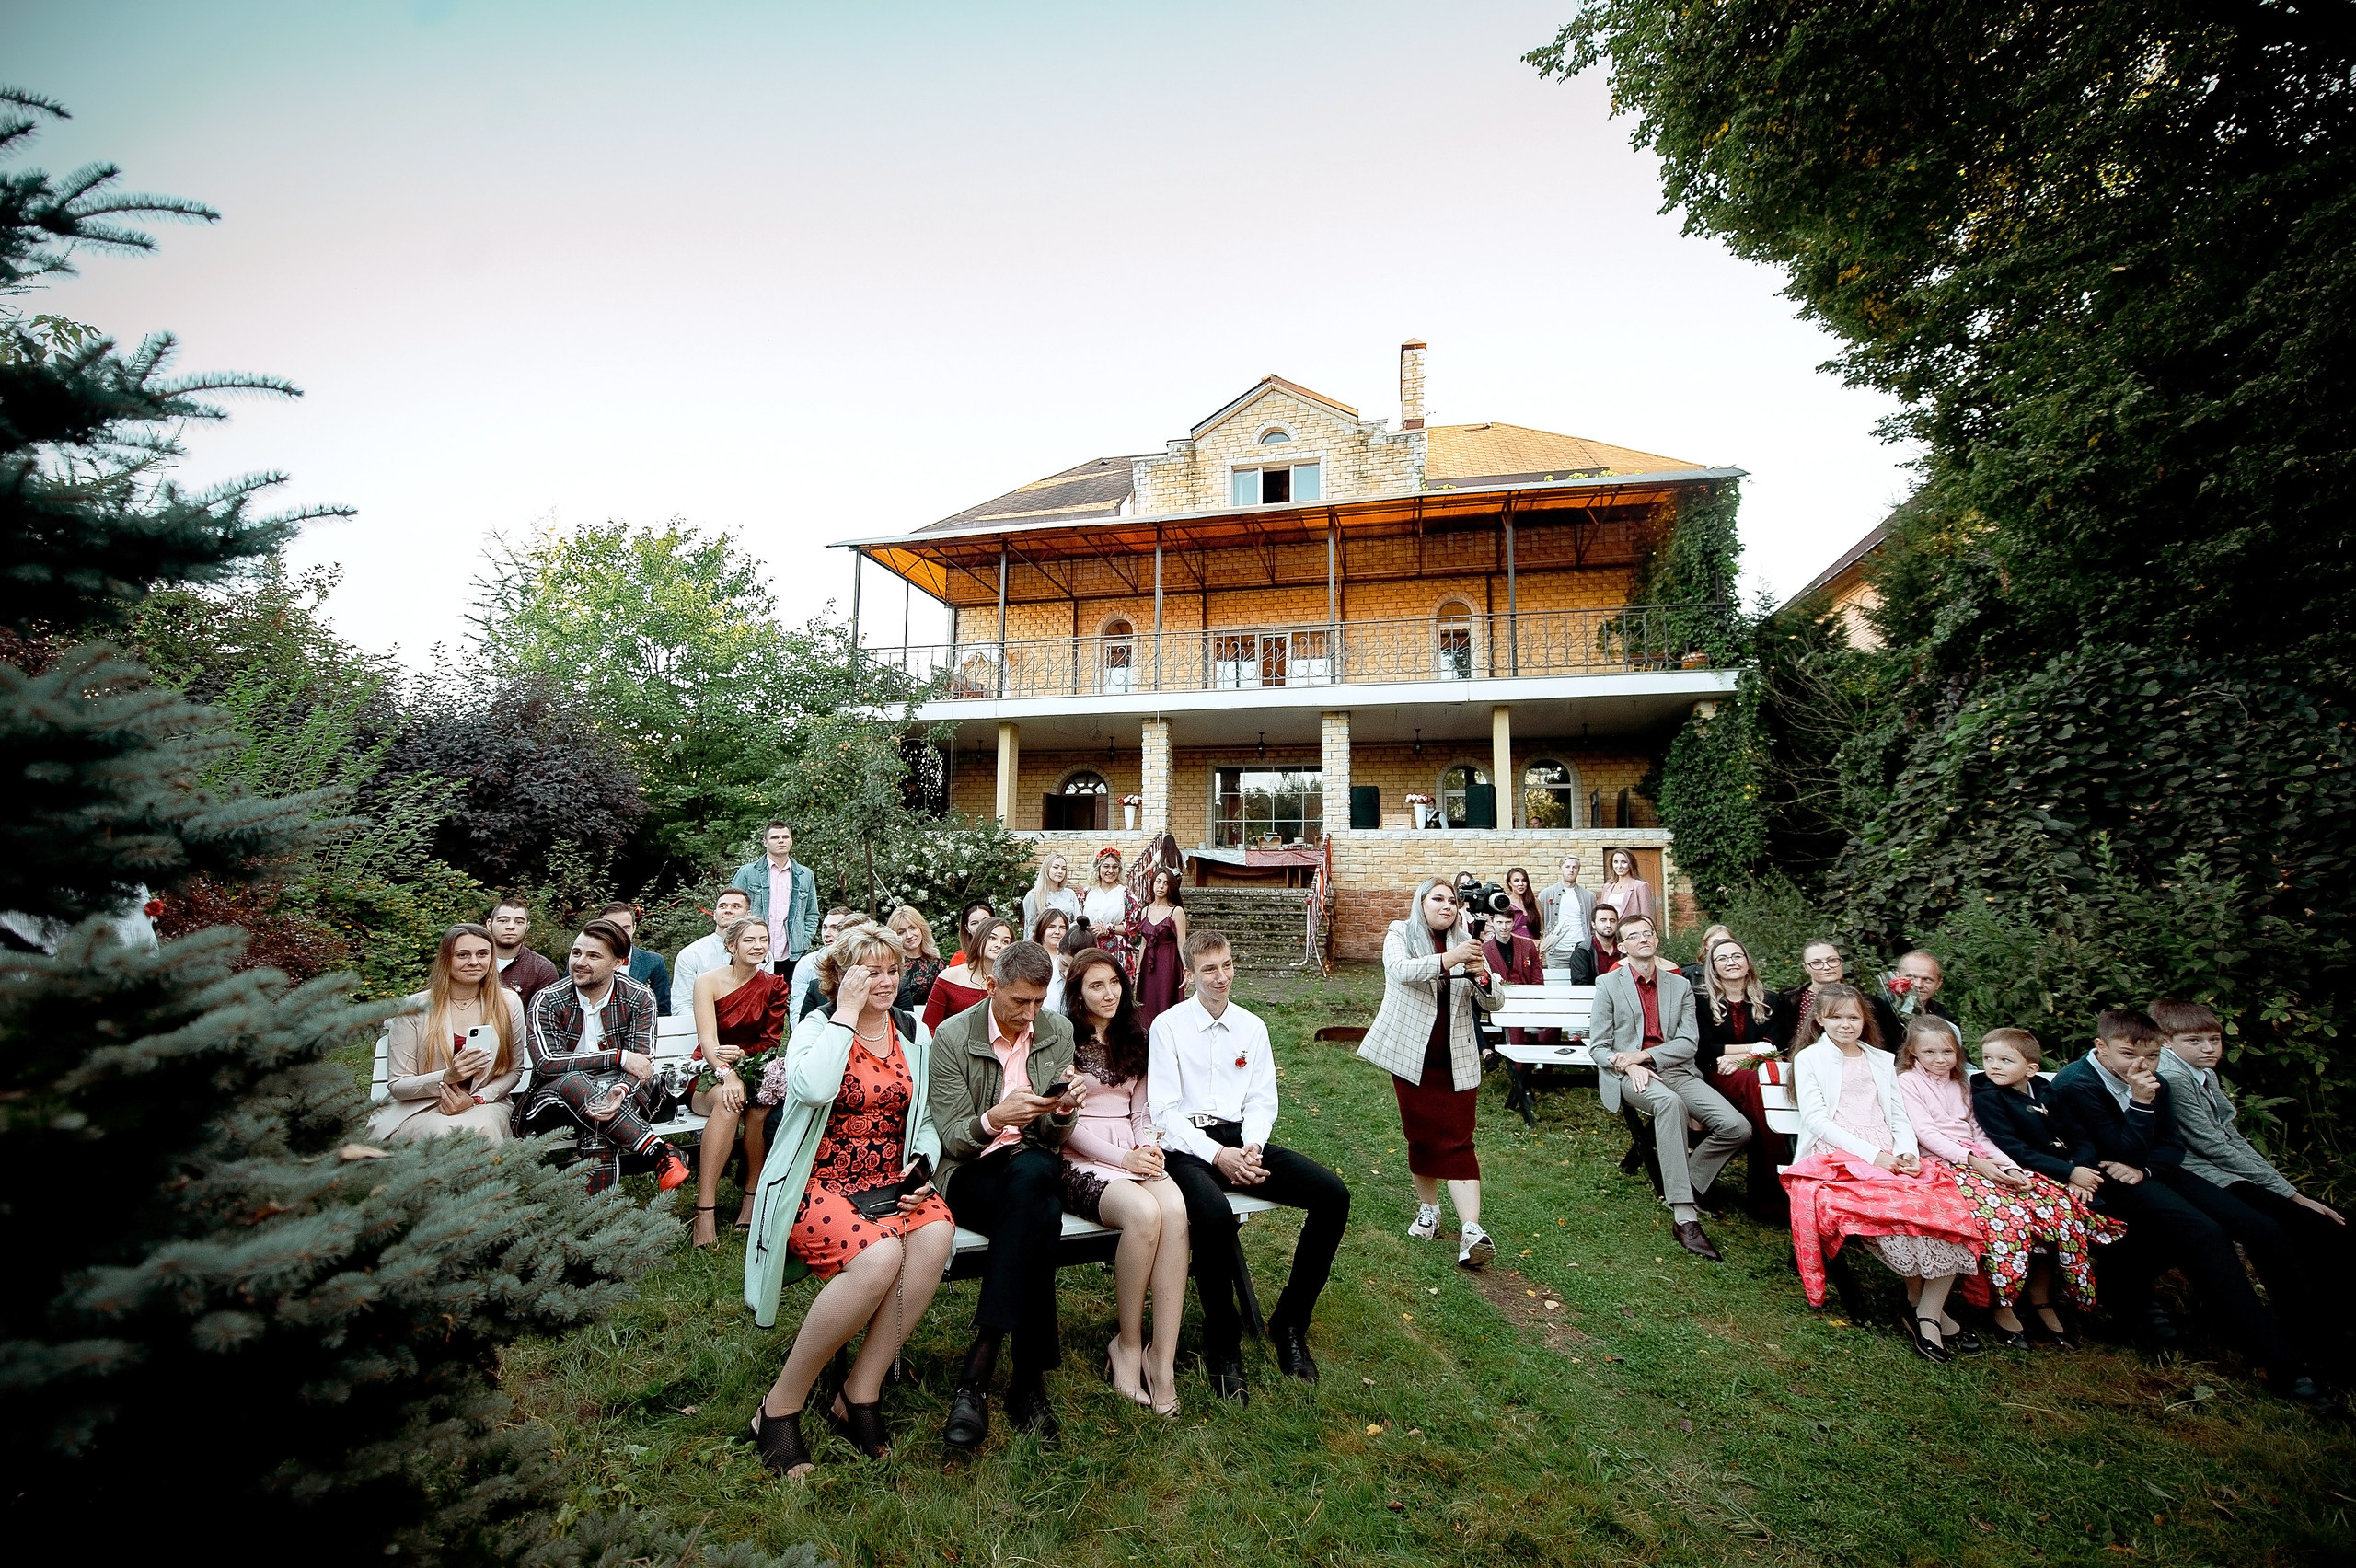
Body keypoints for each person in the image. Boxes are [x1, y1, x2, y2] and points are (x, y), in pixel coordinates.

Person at [741, 927, 954, 1476]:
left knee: (936, 1233)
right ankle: (779, 1406)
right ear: (840, 977)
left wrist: (922, 1165)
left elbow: (925, 1118)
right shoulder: (817, 1027)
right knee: (879, 1256)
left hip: (888, 1179)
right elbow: (811, 1089)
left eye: (890, 969)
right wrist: (845, 1012)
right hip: (819, 1183)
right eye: (867, 971)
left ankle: (859, 1390)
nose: (883, 981)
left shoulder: (912, 1033)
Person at [2050, 1009, 2332, 1411]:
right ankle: (2279, 1363)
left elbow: (2171, 1145)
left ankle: (2318, 1337)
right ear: (2102, 1047)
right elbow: (2114, 1150)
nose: (2140, 1065)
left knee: (2261, 1228)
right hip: (2104, 1177)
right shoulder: (2077, 1084)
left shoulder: (2156, 1079)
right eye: (2129, 1054)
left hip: (2149, 1169)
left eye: (2150, 1056)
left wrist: (2147, 1163)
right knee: (2205, 1234)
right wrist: (2142, 1105)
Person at [1152, 930, 1351, 1402]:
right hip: (1188, 1148)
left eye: (1227, 965)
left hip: (1243, 1140)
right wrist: (1217, 1155)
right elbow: (1164, 1112)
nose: (1222, 978)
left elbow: (1263, 1100)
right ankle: (1223, 1343)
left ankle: (1290, 1323)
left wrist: (1252, 1147)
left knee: (1332, 1196)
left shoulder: (1252, 1027)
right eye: (1209, 970)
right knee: (1214, 1217)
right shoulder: (1168, 1027)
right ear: (1189, 976)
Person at [927, 940, 1082, 1448]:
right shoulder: (952, 1035)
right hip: (973, 1168)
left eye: (1038, 1001)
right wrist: (994, 1120)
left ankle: (979, 1371)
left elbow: (1053, 1140)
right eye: (1020, 1002)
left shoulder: (1057, 1030)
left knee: (1035, 1179)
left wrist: (1060, 1114)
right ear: (992, 986)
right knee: (1041, 1211)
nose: (1030, 1013)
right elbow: (951, 1137)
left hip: (1032, 1159)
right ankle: (1026, 1382)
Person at [1783, 984, 1983, 1360]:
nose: (1846, 1024)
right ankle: (1924, 1310)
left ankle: (1924, 1308)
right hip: (1841, 1153)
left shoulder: (1880, 1058)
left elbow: (1898, 1115)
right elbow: (1818, 1120)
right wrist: (1874, 1157)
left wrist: (1906, 1153)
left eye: (1853, 1017)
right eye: (1837, 1017)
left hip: (1891, 1152)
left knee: (1946, 1213)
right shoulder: (1810, 1059)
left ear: (1864, 1020)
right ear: (1821, 1020)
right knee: (1899, 1217)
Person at [1897, 1017, 2119, 1348]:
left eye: (1948, 1051)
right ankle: (2002, 1305)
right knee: (2006, 1216)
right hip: (1945, 1162)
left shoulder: (1962, 1085)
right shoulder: (1908, 1082)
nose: (1940, 1059)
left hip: (1981, 1160)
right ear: (1913, 1052)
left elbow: (1979, 1133)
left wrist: (2010, 1168)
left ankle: (2059, 1296)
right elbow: (1925, 1133)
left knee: (2053, 1204)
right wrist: (1976, 1163)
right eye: (1930, 1052)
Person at [2154, 999, 2350, 1324]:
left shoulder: (2201, 1072)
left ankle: (2331, 1310)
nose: (2208, 1049)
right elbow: (2212, 1146)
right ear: (2165, 1042)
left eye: (2214, 1040)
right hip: (2201, 1174)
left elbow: (2231, 1137)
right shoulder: (2174, 1077)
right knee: (2296, 1223)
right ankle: (2315, 1320)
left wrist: (2281, 1185)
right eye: (2194, 1041)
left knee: (2326, 1222)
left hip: (2223, 1168)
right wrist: (2293, 1195)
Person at [1057, 946, 1189, 1415]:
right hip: (1079, 1157)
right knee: (1142, 1212)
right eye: (1096, 985)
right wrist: (1124, 1159)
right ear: (1076, 994)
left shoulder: (1137, 1033)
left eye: (1114, 983)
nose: (1109, 993)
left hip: (1132, 1151)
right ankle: (1128, 1345)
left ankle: (1164, 1359)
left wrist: (1146, 1148)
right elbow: (1067, 1125)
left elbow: (1140, 1107)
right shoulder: (1062, 1041)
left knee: (1175, 1209)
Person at [1362, 880, 1506, 1268]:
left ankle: (1472, 1231)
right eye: (1437, 899)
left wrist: (1482, 975)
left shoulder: (1468, 941)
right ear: (1421, 903)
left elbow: (1495, 1001)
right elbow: (1399, 970)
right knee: (1421, 1137)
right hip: (1413, 1056)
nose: (1446, 905)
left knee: (1460, 1140)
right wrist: (1450, 959)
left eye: (1451, 900)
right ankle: (1429, 1209)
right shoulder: (1401, 933)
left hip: (1456, 1056)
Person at [1589, 912, 1750, 1261]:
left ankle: (1686, 1178)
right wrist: (1628, 1064)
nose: (1643, 939)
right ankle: (1684, 1216)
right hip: (1628, 1076)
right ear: (1622, 947)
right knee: (1669, 1105)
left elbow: (1688, 1042)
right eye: (1634, 936)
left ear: (1656, 940)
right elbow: (1598, 1047)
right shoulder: (1608, 985)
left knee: (1737, 1127)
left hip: (1673, 1069)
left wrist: (1643, 1058)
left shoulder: (1679, 985)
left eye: (1648, 933)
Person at [517, 918, 690, 1195]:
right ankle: (659, 1152)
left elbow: (640, 1064)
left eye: (593, 955)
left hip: (622, 1099)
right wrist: (618, 1057)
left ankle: (597, 1227)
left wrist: (620, 1090)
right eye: (576, 953)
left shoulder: (638, 997)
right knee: (574, 1080)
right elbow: (547, 1063)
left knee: (598, 1133)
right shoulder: (548, 999)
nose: (580, 962)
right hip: (553, 1101)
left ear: (618, 963)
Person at [1971, 1028, 2105, 1346]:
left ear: (2031, 1069)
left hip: (2068, 1171)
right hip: (2025, 1172)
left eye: (2005, 1060)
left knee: (2101, 1212)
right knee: (2045, 1220)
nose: (1994, 1066)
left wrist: (2080, 1170)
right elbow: (2013, 1148)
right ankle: (2010, 1299)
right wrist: (2068, 1172)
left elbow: (2080, 1134)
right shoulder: (1988, 1096)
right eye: (1988, 1059)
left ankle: (2045, 1294)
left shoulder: (2045, 1090)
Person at [686, 916, 791, 1248]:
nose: (758, 946)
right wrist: (727, 1073)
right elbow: (707, 1041)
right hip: (708, 1073)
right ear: (731, 946)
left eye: (763, 939)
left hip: (753, 1066)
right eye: (749, 940)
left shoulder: (774, 985)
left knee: (760, 1109)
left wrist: (743, 1057)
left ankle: (751, 1199)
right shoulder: (708, 982)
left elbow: (771, 1041)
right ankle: (705, 1209)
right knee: (729, 1104)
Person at [370, 923, 526, 1144]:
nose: (474, 962)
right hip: (421, 1106)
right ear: (446, 959)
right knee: (442, 1132)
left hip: (484, 1103)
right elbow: (398, 1085)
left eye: (482, 954)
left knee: (483, 1127)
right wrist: (447, 1077)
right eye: (463, 955)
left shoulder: (508, 1003)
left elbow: (514, 1070)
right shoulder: (416, 1007)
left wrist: (475, 1099)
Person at [1691, 934, 1787, 1222]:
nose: (1731, 962)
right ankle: (1771, 1194)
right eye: (1722, 958)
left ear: (1748, 964)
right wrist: (1752, 1051)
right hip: (1716, 1076)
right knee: (1754, 1084)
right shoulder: (1701, 1003)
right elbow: (1706, 1048)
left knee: (1754, 1082)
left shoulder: (1770, 1001)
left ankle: (1766, 1193)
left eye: (1737, 956)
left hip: (1754, 1074)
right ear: (1713, 967)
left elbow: (1775, 1044)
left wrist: (1739, 1057)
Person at [732, 821, 820, 971]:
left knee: (788, 994)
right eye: (775, 837)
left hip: (792, 953)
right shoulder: (747, 872)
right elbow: (733, 908)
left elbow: (812, 913)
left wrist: (804, 939)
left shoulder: (805, 875)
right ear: (765, 842)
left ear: (791, 841)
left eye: (785, 837)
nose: (781, 840)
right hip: (754, 952)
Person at [671, 888, 754, 1011]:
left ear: (748, 915)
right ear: (715, 914)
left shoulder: (759, 954)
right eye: (723, 906)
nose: (728, 910)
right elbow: (682, 1004)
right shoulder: (691, 954)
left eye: (736, 906)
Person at [925, 917, 1011, 1033]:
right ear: (978, 939)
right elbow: (929, 1029)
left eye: (1005, 941)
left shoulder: (1013, 982)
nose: (998, 945)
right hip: (952, 1048)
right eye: (992, 938)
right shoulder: (949, 977)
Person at [1129, 867, 1188, 1033]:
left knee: (1166, 1004)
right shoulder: (1145, 911)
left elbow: (1182, 943)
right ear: (1152, 884)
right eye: (1158, 882)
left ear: (1171, 887)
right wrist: (1138, 971)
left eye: (1166, 883)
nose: (1161, 886)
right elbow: (1143, 944)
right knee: (1146, 1005)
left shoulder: (1176, 911)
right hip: (1148, 966)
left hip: (1168, 964)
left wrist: (1187, 970)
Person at [596, 903, 673, 1019]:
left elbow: (663, 1012)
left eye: (626, 928)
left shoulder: (654, 962)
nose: (620, 934)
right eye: (613, 928)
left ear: (634, 927)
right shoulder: (584, 959)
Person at [1870, 950, 1952, 1054]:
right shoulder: (1877, 1008)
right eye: (1911, 978)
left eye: (1927, 979)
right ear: (1897, 977)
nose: (1918, 984)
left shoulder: (1941, 1013)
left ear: (1939, 984)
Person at [1771, 940, 1848, 1050]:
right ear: (1806, 968)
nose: (1826, 967)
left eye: (1832, 960)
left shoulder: (1865, 1001)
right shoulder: (1788, 1000)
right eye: (1816, 963)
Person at [486, 895, 560, 1005]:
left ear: (527, 926)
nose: (510, 926)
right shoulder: (472, 962)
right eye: (503, 921)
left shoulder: (542, 969)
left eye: (519, 922)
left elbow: (544, 1015)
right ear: (489, 924)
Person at [791, 908, 856, 1018]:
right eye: (824, 927)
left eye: (835, 928)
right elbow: (797, 1007)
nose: (827, 934)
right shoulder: (806, 963)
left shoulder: (861, 960)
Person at [1080, 847, 1136, 974]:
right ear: (1098, 868)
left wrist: (1109, 928)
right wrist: (1091, 928)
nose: (1110, 871)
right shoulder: (1087, 893)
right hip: (1089, 947)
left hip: (1117, 951)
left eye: (1115, 867)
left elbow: (1133, 928)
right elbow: (1077, 920)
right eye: (1106, 866)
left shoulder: (1126, 895)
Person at [888, 905, 945, 1014]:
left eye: (912, 928)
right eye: (901, 932)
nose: (909, 935)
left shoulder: (936, 963)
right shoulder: (891, 964)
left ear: (921, 929)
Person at [1537, 855, 1597, 957]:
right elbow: (1539, 921)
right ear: (1560, 869)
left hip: (1582, 949)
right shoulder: (1546, 894)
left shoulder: (1589, 896)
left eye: (1574, 867)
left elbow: (1594, 923)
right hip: (1556, 950)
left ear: (1578, 870)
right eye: (1567, 867)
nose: (1571, 870)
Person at [1560, 901, 1623, 986]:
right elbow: (1581, 984)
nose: (1608, 924)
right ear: (1593, 924)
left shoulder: (1624, 949)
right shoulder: (1583, 951)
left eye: (1612, 920)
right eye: (1603, 920)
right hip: (1592, 996)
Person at [1021, 851, 1080, 938]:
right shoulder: (1033, 895)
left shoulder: (1070, 894)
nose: (1060, 871)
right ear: (1047, 869)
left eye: (1063, 869)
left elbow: (1078, 920)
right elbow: (1030, 928)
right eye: (1056, 867)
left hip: (1068, 941)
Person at [1032, 908, 1073, 1012]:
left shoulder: (1070, 958)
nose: (1057, 932)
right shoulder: (1031, 957)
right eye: (1051, 927)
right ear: (1041, 929)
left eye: (1062, 928)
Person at [1597, 848, 1654, 923]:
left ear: (1631, 864)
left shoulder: (1640, 886)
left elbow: (1646, 917)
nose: (1619, 866)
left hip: (1631, 931)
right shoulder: (1607, 887)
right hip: (1610, 931)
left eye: (1624, 862)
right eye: (1616, 862)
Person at [1498, 866, 1542, 943]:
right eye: (1516, 881)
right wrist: (1530, 941)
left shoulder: (1534, 902)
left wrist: (1542, 944)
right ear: (1510, 883)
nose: (1521, 884)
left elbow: (1541, 929)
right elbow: (1502, 930)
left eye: (1524, 880)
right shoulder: (1505, 903)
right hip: (1512, 945)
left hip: (1535, 947)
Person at [947, 899, 996, 964]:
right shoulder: (961, 958)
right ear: (967, 928)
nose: (981, 926)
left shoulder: (1004, 953)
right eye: (974, 923)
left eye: (985, 921)